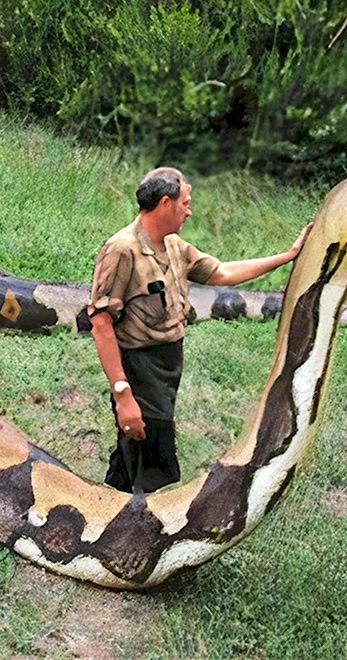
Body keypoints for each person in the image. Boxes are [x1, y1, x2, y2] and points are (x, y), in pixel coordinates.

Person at [87, 167, 311, 493]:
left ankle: (111, 510)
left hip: (168, 361)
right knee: (147, 452)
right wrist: (123, 394)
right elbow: (101, 323)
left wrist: (288, 256)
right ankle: (124, 521)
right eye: (186, 203)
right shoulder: (122, 250)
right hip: (139, 365)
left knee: (139, 450)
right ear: (166, 203)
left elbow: (220, 272)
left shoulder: (175, 246)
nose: (189, 211)